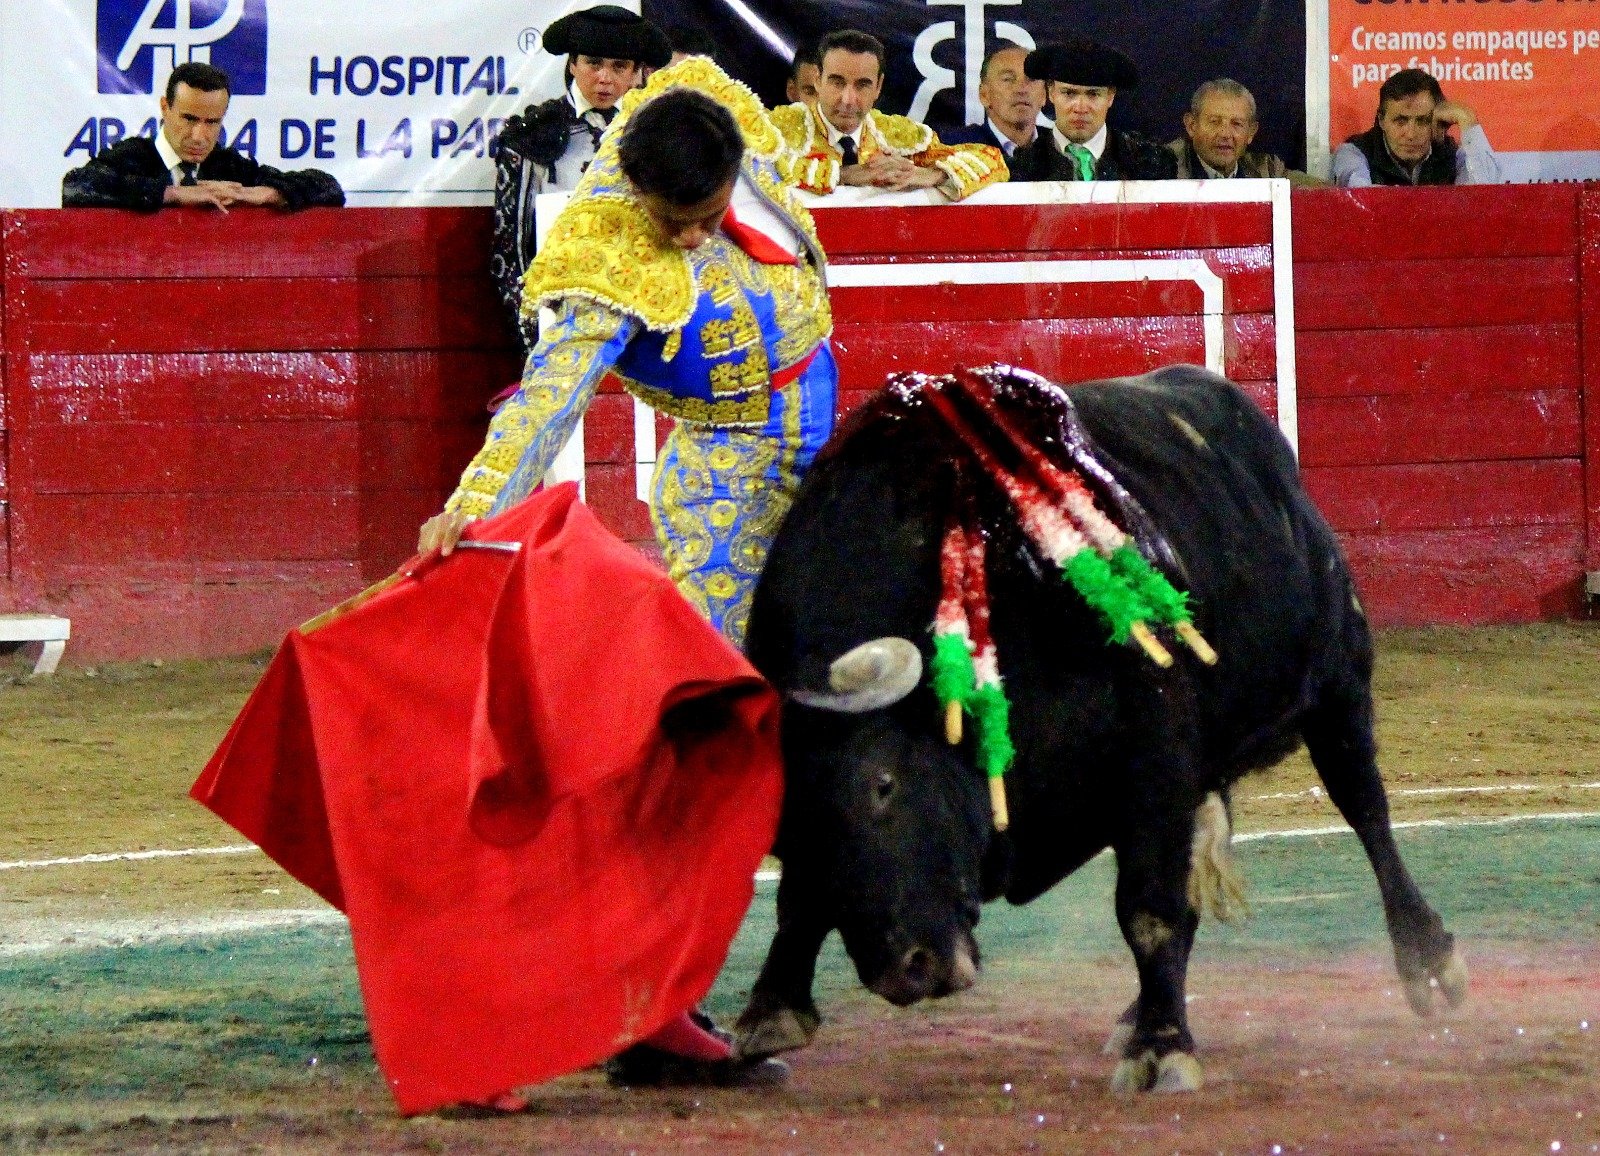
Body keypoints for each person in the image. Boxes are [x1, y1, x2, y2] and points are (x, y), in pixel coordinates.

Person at [490, 5, 672, 351]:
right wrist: (535, 338)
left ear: (637, 72)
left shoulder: (656, 134)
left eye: (619, 66)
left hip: (644, 317)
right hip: (559, 319)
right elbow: (510, 255)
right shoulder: (532, 138)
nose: (604, 78)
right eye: (593, 63)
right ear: (572, 64)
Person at [61, 63, 343, 211]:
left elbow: (329, 188)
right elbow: (76, 187)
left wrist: (268, 193)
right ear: (165, 108)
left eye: (212, 122)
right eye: (189, 119)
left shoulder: (228, 167)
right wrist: (172, 193)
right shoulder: (131, 157)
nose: (199, 136)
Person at [771, 30, 1007, 197]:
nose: (848, 99)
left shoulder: (895, 134)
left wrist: (934, 174)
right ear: (817, 81)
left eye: (862, 85)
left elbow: (993, 161)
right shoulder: (779, 128)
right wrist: (843, 175)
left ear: (878, 87)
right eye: (837, 82)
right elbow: (754, 170)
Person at [1023, 38, 1176, 181]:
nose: (1080, 108)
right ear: (1051, 92)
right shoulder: (1022, 168)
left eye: (1093, 94)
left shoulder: (1150, 164)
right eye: (1069, 93)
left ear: (1110, 96)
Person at [1333, 68, 1501, 187]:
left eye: (1423, 121)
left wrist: (1467, 120)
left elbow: (1485, 199)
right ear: (1382, 120)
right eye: (1400, 121)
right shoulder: (1355, 153)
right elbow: (1363, 199)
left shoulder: (1450, 154)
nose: (1411, 134)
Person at [1167, 79, 1327, 186]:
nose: (1225, 134)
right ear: (1192, 126)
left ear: (1251, 132)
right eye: (1215, 122)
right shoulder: (1167, 167)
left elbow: (1329, 194)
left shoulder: (1267, 170)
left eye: (1236, 124)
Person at [941, 43, 1057, 182]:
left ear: (1044, 95)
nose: (1021, 89)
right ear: (984, 95)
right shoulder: (952, 149)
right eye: (1008, 79)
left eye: (1031, 79)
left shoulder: (1060, 148)